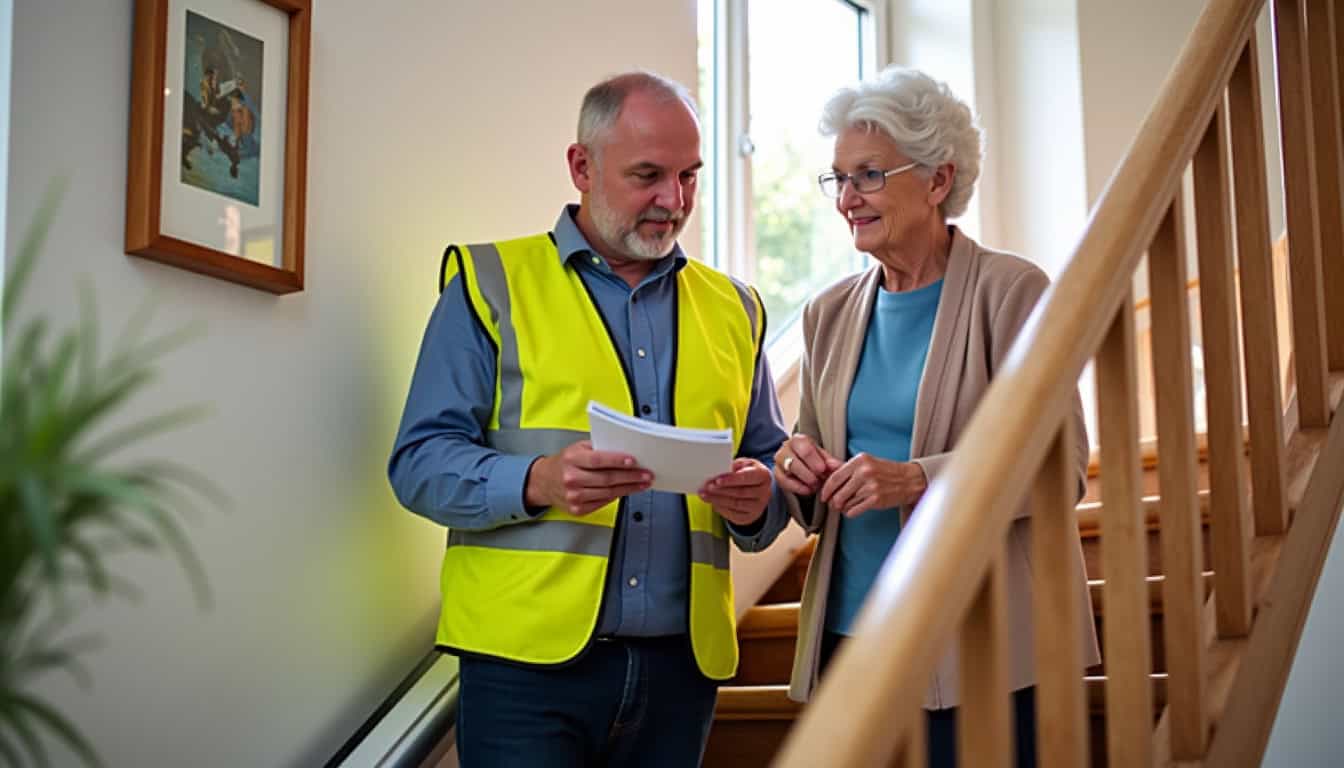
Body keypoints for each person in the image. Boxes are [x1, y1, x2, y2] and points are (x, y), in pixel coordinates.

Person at [389, 71, 791, 768]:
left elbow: (771, 466)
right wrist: (537, 480)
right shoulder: (488, 285)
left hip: (680, 676)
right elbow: (418, 464)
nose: (674, 201)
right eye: (648, 176)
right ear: (582, 166)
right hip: (523, 674)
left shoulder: (738, 310)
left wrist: (762, 501)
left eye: (690, 177)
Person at [773, 66, 1099, 768]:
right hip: (853, 635)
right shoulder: (827, 313)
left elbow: (1060, 466)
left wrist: (915, 480)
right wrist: (796, 468)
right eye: (838, 179)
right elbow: (815, 459)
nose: (846, 200)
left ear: (938, 179)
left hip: (986, 642)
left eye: (866, 176)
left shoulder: (1012, 291)